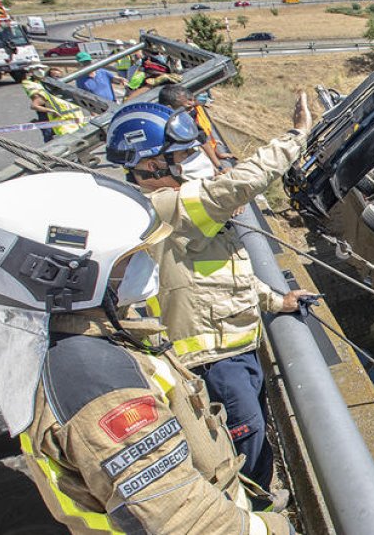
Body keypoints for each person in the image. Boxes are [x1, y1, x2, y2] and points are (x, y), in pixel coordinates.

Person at [0, 172, 293, 533]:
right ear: (69, 278)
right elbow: (189, 522)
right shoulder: (99, 385)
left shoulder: (41, 336)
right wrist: (275, 529)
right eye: (127, 259)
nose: (146, 262)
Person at [106, 94, 314, 495]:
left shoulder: (169, 208)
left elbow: (216, 274)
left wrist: (276, 301)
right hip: (213, 363)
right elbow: (241, 183)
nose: (188, 163)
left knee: (252, 436)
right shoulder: (164, 207)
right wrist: (297, 135)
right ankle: (259, 509)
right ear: (150, 164)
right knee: (245, 446)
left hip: (233, 351)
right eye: (179, 156)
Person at [159, 83, 232, 170]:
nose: (192, 109)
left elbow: (203, 140)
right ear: (169, 108)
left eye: (192, 105)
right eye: (187, 108)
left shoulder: (187, 117)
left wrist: (219, 167)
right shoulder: (160, 128)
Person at [22, 63, 88, 140]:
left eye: (59, 77)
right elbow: (35, 103)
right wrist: (50, 110)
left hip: (77, 122)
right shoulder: (31, 83)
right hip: (57, 120)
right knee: (48, 134)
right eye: (36, 69)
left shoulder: (66, 89)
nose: (39, 71)